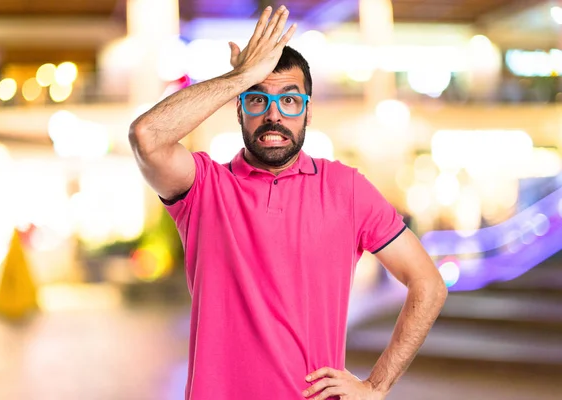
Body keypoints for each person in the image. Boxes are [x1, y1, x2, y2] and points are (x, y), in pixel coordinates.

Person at [129, 5, 447, 400]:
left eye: (290, 101)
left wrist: (375, 386)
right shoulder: (203, 188)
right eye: (257, 101)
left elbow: (428, 284)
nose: (274, 115)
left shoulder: (346, 189)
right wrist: (240, 76)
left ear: (308, 111)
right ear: (239, 110)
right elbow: (146, 135)